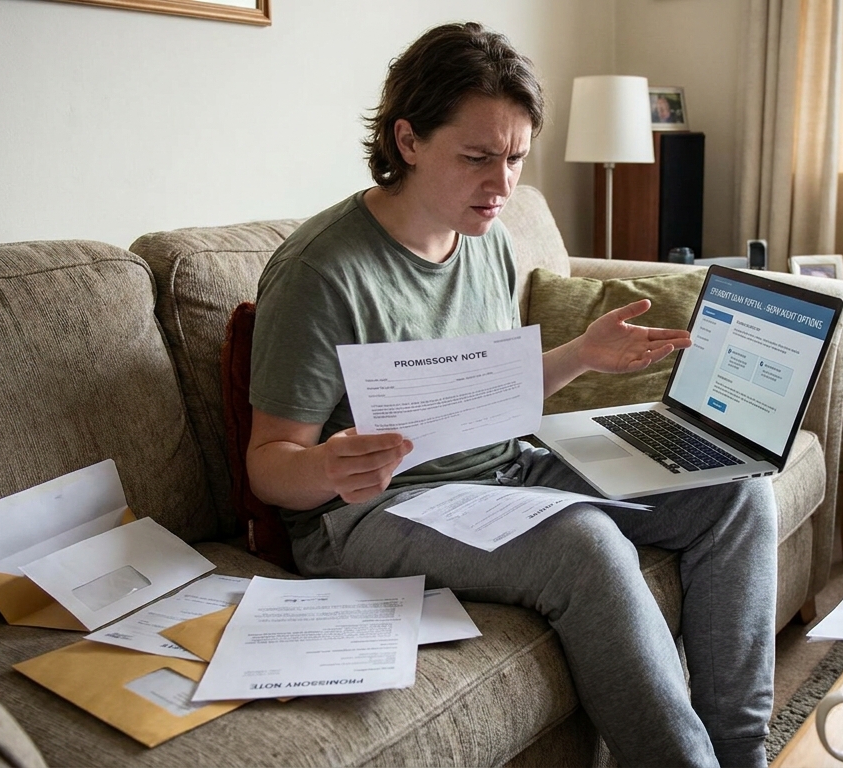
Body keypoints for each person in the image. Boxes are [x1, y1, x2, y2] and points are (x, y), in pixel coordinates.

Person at [246, 22, 777, 768]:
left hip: (501, 472)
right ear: (407, 142)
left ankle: (741, 752)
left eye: (516, 158)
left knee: (735, 488)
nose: (501, 186)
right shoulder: (320, 270)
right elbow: (269, 464)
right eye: (476, 158)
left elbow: (487, 392)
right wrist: (330, 466)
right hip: (376, 511)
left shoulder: (486, 236)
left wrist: (582, 355)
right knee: (584, 542)